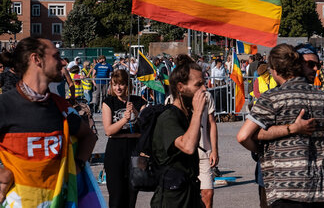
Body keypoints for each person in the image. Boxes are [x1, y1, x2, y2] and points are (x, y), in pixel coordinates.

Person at [236, 43, 324, 207]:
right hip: (322, 188)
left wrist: (262, 150)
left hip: (286, 188)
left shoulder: (272, 98)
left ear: (275, 70)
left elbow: (243, 136)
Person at [0, 37, 97, 207]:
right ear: (36, 59)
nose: (63, 63)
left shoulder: (61, 107)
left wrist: (78, 165)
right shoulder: (5, 105)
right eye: (56, 56)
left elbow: (89, 136)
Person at [150, 56, 206, 208]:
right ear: (180, 87)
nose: (204, 89)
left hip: (189, 191)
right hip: (172, 197)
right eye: (198, 85)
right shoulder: (169, 117)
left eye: (204, 84)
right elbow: (188, 146)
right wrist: (198, 112)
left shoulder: (186, 115)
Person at [102, 69, 147, 208]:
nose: (118, 88)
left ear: (128, 85)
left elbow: (145, 127)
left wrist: (135, 112)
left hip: (135, 151)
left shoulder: (139, 101)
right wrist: (123, 120)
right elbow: (109, 130)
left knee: (132, 196)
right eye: (115, 84)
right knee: (116, 196)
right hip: (115, 150)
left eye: (121, 84)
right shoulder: (108, 102)